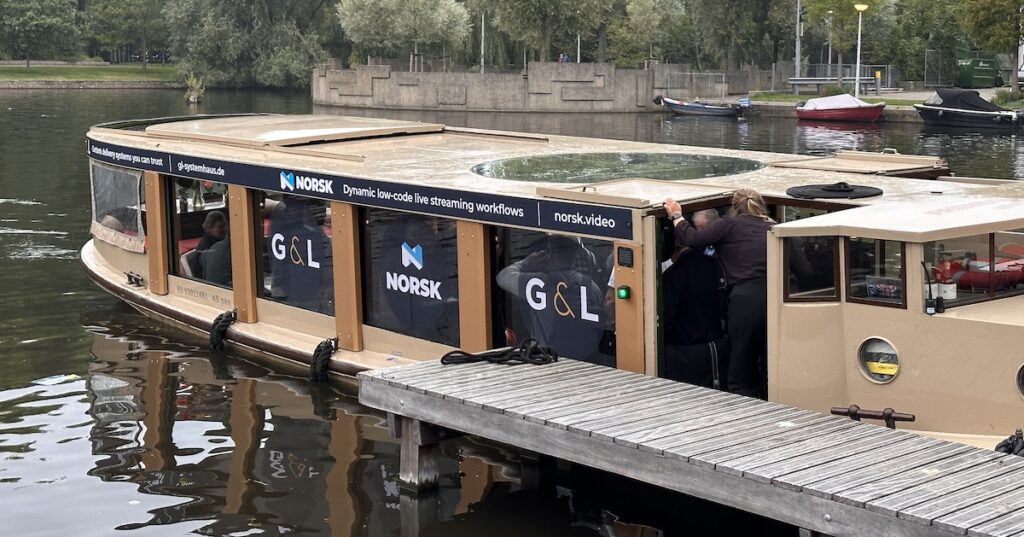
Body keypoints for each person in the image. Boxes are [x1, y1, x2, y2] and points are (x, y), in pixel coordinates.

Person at [663, 189, 774, 398]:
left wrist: (676, 216)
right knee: (768, 358)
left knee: (739, 367)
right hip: (778, 298)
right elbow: (804, 268)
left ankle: (741, 413)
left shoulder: (729, 224)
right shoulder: (774, 227)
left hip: (746, 300)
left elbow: (693, 239)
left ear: (734, 208)